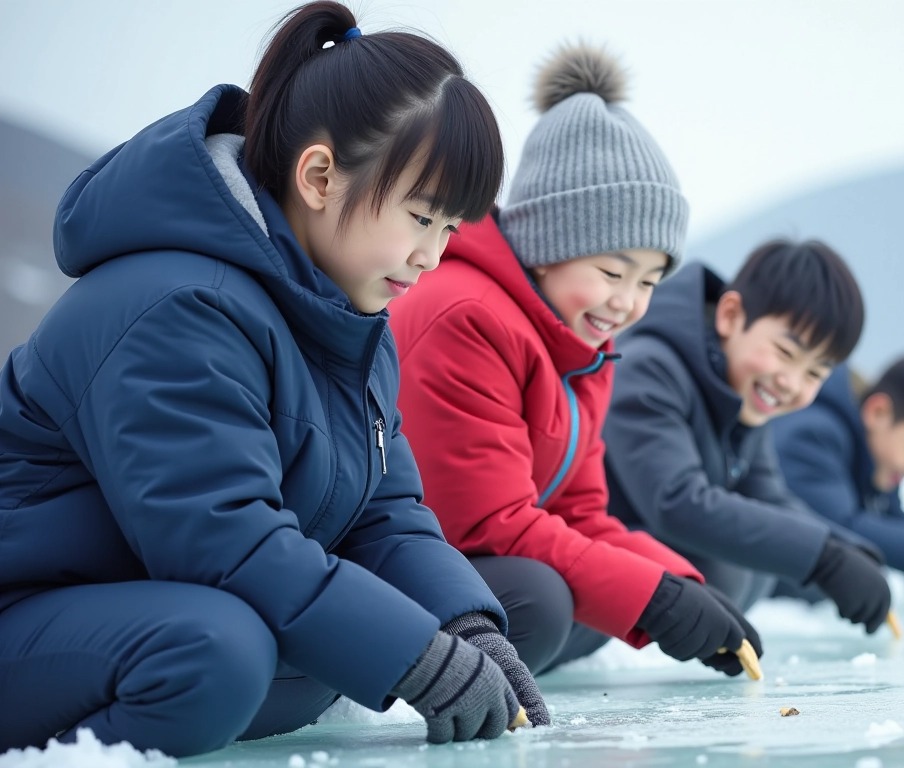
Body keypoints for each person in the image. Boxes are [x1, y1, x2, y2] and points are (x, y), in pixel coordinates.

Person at [0, 2, 543, 757]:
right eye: (421, 217)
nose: (433, 255)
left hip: (137, 610)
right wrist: (414, 658)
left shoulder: (349, 321)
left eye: (451, 229)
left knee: (321, 654)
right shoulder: (176, 305)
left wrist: (462, 626)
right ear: (320, 176)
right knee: (217, 655)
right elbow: (222, 537)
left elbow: (383, 513)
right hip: (29, 612)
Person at [392, 44, 761, 678]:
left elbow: (580, 513)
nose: (628, 302)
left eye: (649, 281)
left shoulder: (581, 346)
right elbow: (487, 521)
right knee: (542, 601)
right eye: (612, 271)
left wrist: (681, 584)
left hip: (477, 556)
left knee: (601, 599)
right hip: (405, 561)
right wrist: (654, 598)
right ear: (545, 243)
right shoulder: (469, 317)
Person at [603, 239, 895, 636]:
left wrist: (845, 550)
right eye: (786, 352)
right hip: (603, 562)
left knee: (766, 569)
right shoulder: (650, 369)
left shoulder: (741, 394)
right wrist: (823, 558)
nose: (791, 383)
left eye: (814, 374)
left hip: (660, 580)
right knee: (726, 569)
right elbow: (676, 500)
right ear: (731, 315)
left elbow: (768, 495)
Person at [772, 354, 904, 598]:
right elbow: (841, 525)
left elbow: (888, 514)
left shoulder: (873, 461)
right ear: (878, 413)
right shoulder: (813, 434)